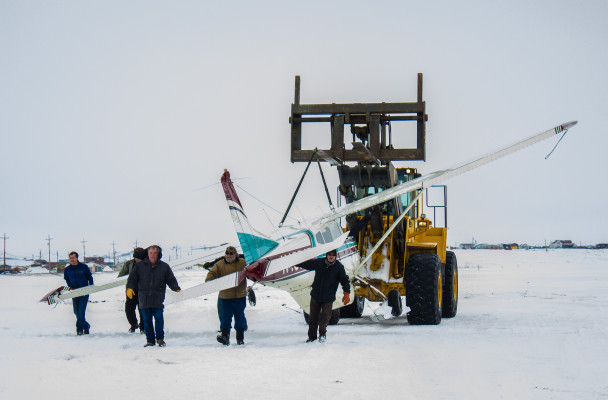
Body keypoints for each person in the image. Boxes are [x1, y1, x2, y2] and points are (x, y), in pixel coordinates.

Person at [126, 245, 181, 347]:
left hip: (157, 299)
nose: (152, 255)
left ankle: (160, 339)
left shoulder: (164, 266)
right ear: (148, 254)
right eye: (151, 253)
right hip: (144, 298)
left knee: (159, 319)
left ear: (158, 254)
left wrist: (175, 287)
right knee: (147, 321)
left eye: (155, 253)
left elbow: (170, 278)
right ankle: (150, 341)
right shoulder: (139, 266)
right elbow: (132, 278)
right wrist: (129, 288)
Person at [296, 249, 351, 343]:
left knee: (325, 317)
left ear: (335, 256)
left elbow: (344, 280)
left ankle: (322, 335)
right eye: (329, 254)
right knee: (312, 318)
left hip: (328, 298)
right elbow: (308, 265)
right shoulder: (320, 262)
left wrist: (346, 293)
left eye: (333, 255)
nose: (331, 256)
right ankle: (312, 337)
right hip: (316, 295)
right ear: (326, 255)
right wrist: (297, 263)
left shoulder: (339, 267)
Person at [205, 245, 248, 345]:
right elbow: (212, 273)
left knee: (240, 317)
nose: (228, 255)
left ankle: (240, 338)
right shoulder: (220, 264)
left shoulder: (243, 262)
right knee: (225, 317)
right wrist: (209, 281)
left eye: (231, 253)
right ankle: (225, 337)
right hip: (225, 297)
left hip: (240, 296)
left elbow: (251, 270)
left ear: (236, 255)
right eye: (227, 253)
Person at [64, 251, 94, 336]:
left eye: (73, 258)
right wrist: (70, 287)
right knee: (76, 312)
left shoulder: (83, 267)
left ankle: (79, 330)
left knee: (81, 312)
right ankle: (86, 326)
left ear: (77, 258)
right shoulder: (67, 269)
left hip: (84, 291)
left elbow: (89, 277)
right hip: (74, 292)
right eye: (70, 258)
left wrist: (91, 287)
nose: (72, 260)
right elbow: (67, 279)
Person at [117, 247, 147, 333]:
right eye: (136, 257)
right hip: (131, 290)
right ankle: (134, 324)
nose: (137, 259)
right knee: (129, 309)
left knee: (142, 310)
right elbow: (120, 276)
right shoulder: (129, 264)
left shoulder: (147, 263)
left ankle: (143, 327)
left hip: (143, 290)